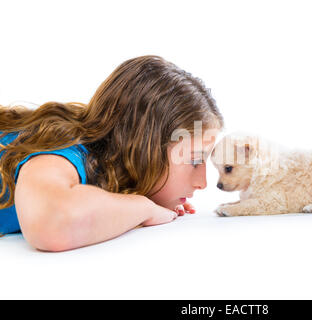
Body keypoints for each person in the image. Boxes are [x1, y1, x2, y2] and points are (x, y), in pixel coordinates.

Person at [0, 55, 224, 251]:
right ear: (144, 147)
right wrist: (142, 208)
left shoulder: (103, 165)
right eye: (194, 160)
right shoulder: (66, 148)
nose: (202, 183)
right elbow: (51, 222)